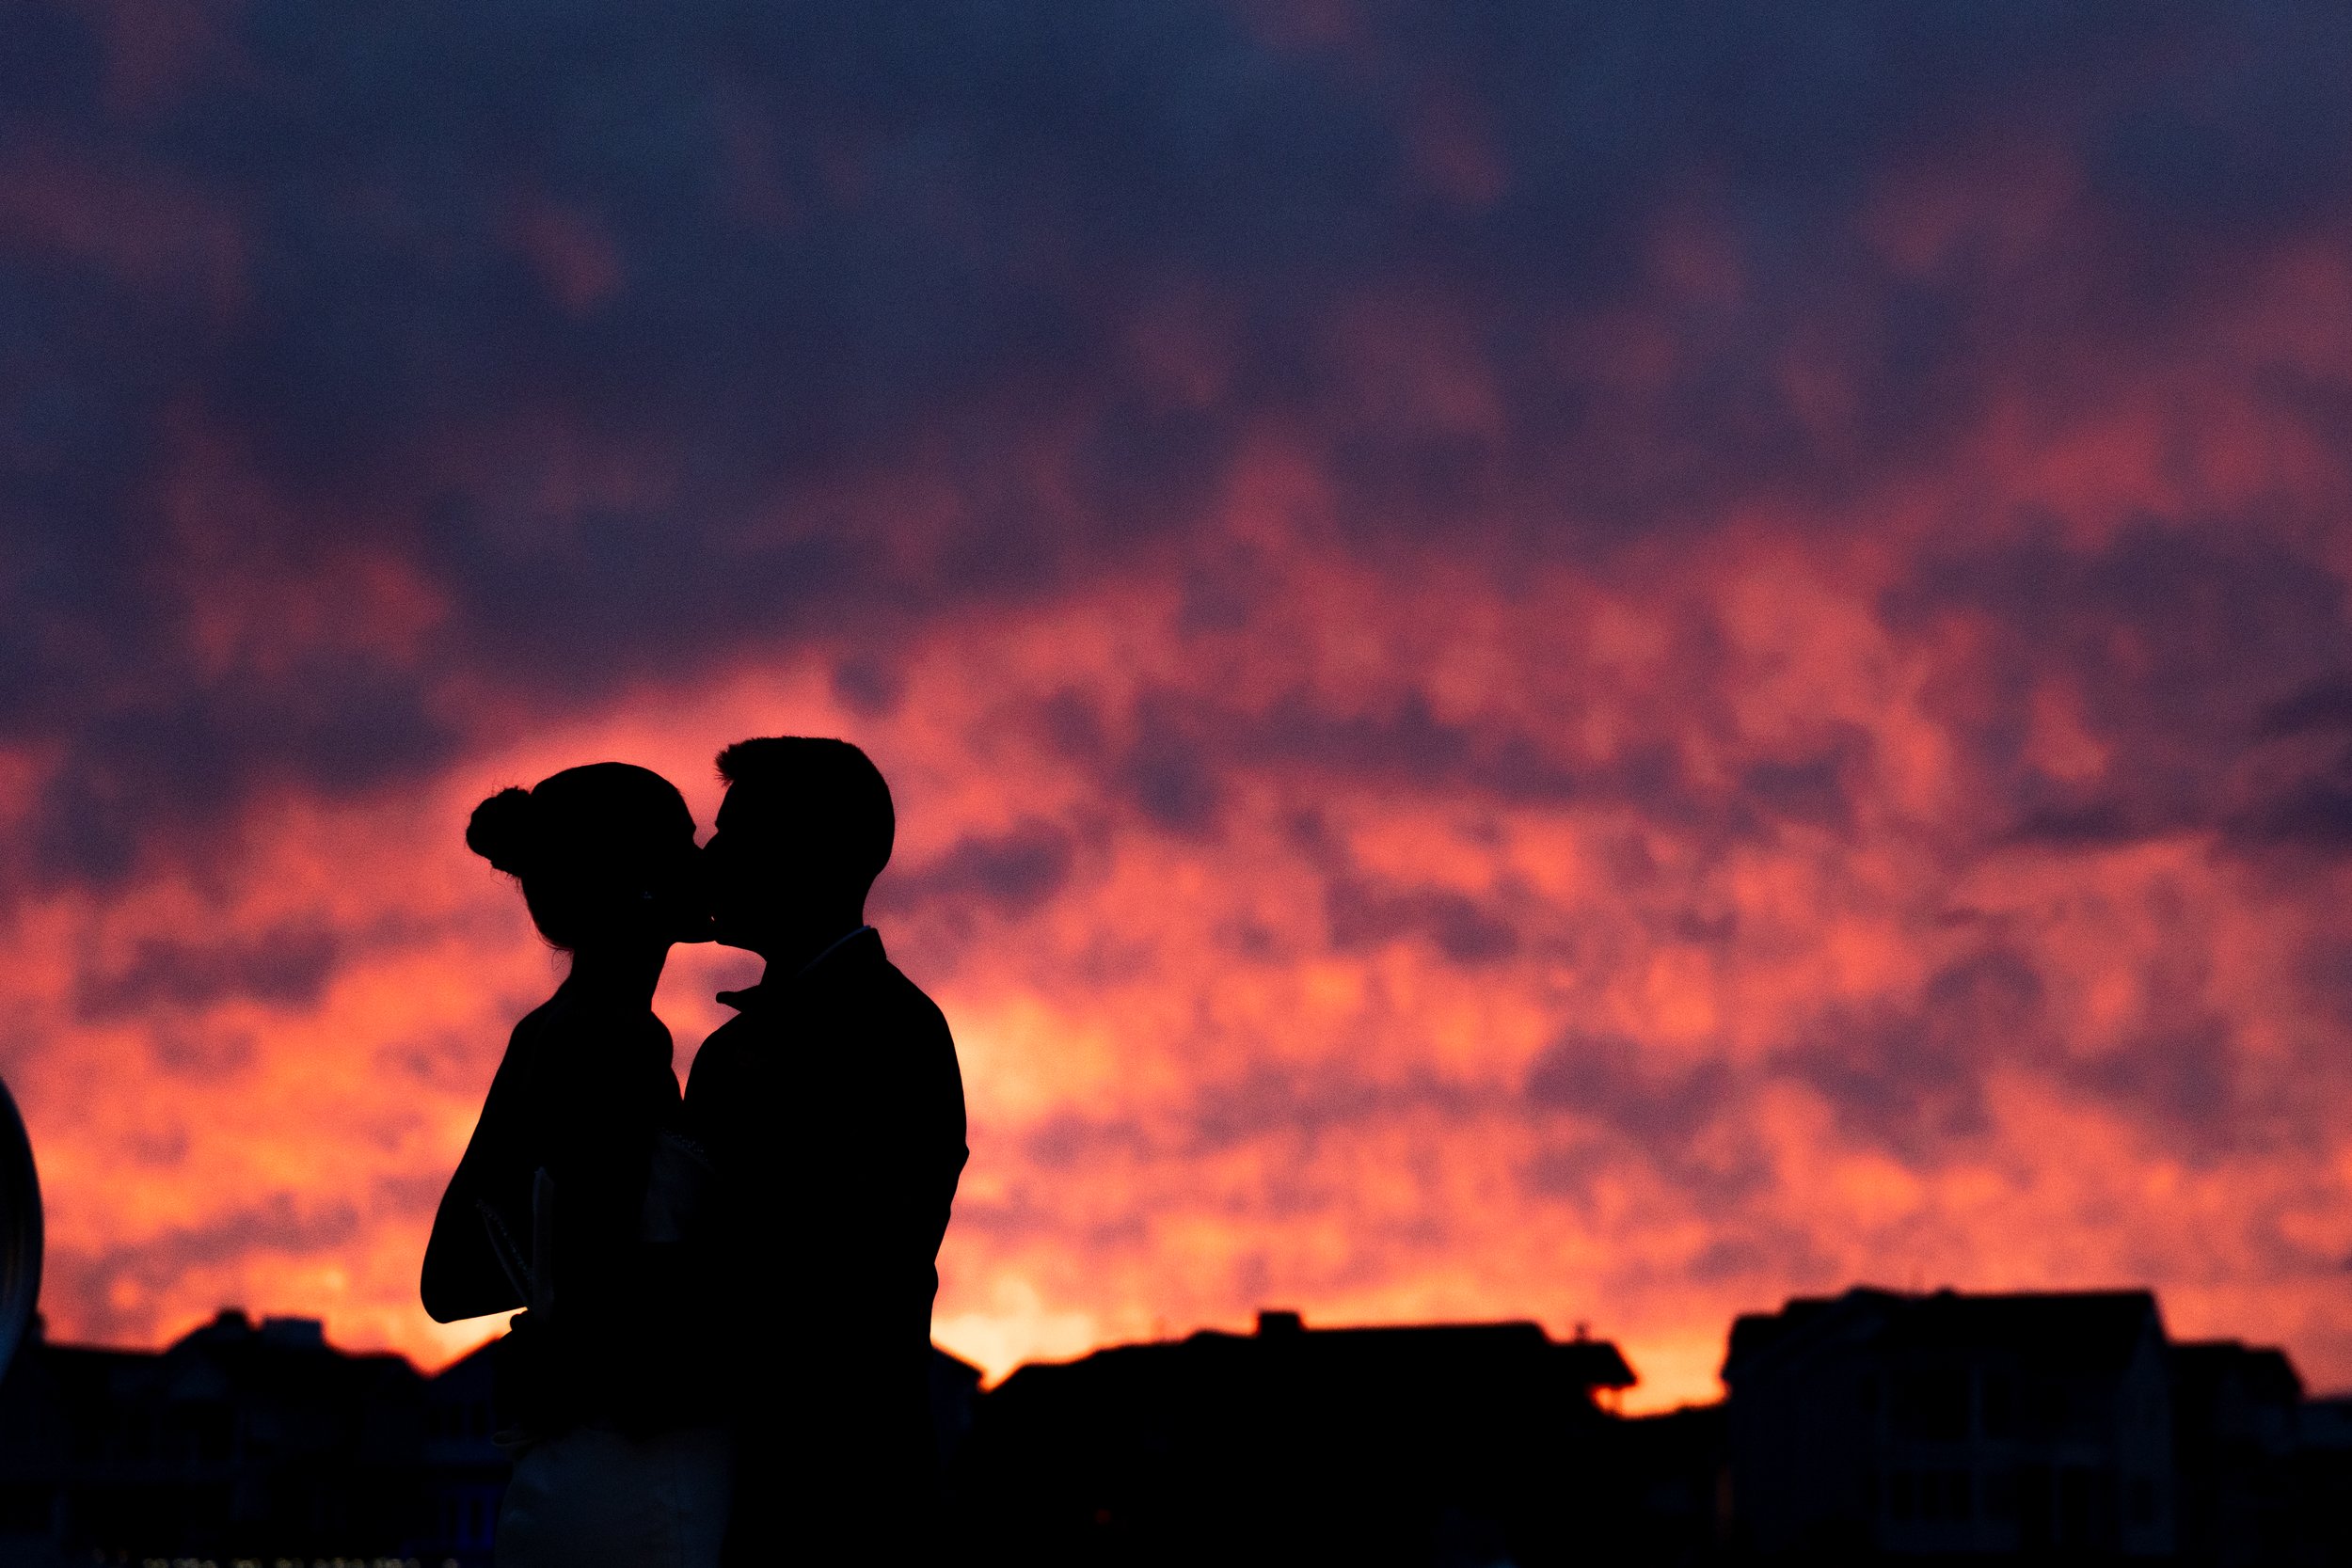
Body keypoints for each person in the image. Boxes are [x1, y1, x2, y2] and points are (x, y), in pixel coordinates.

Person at [422, 762, 729, 1568]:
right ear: (635, 885)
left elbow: (451, 1276)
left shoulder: (550, 1032)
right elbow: (620, 1303)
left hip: (571, 1474)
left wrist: (556, 1297)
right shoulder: (612, 1045)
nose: (705, 860)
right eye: (682, 843)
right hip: (632, 1484)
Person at [684, 736, 967, 1565]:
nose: (712, 856)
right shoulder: (735, 1047)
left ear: (803, 855)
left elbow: (843, 1269)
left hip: (838, 1502)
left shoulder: (893, 1031)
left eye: (732, 835)